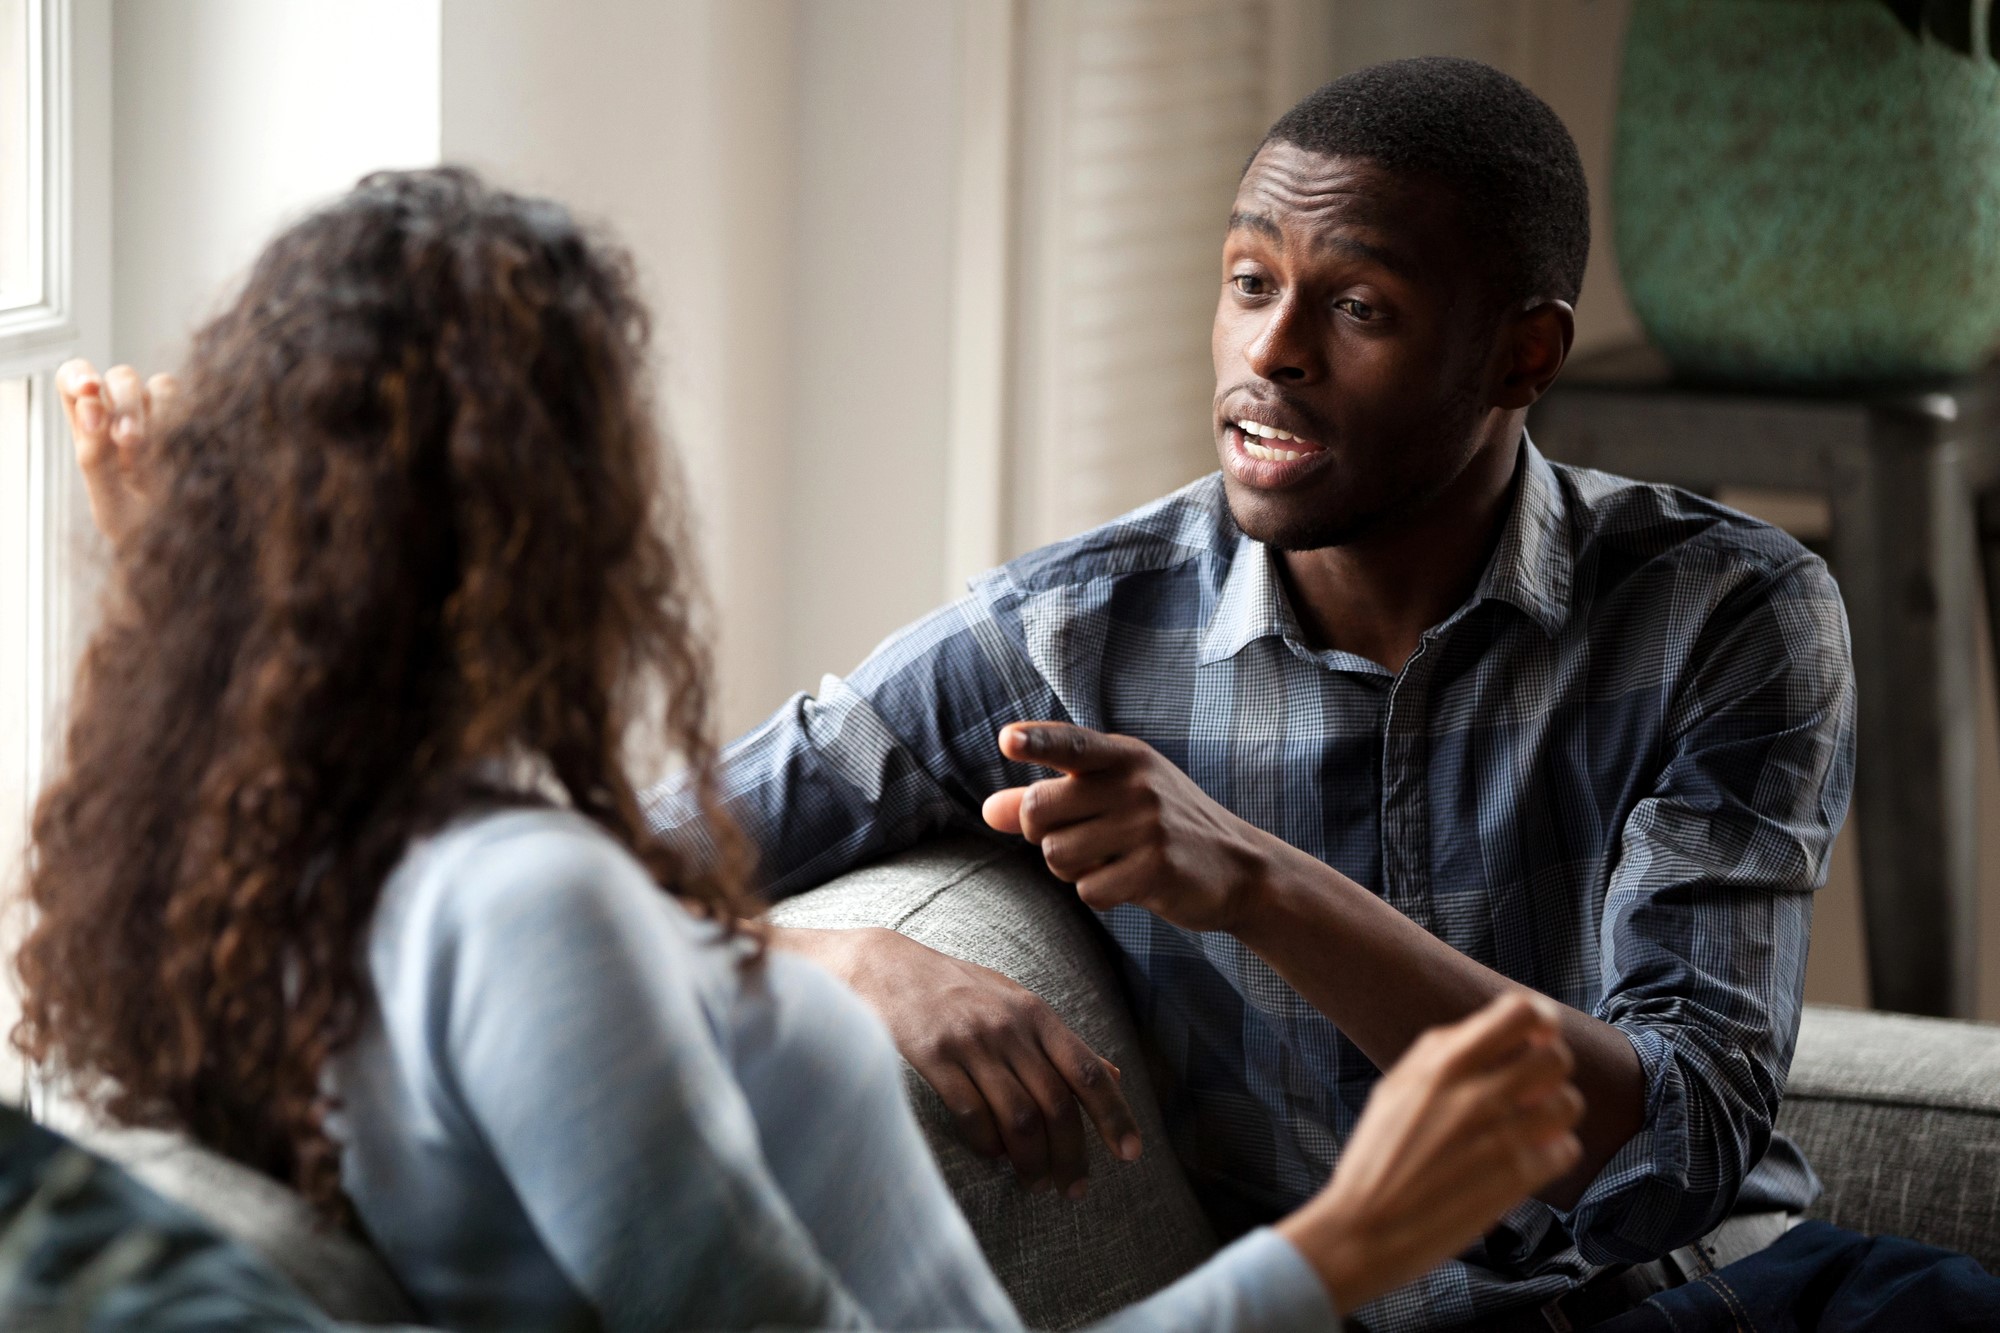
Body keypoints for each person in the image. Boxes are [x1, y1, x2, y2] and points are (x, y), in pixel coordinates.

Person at [29, 167, 1585, 1331]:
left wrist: (180, 582)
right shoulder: (516, 900)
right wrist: (1353, 1240)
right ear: (553, 522)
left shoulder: (285, 855)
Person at [640, 57, 1860, 1331]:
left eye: (1359, 309)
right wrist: (836, 959)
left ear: (1520, 354)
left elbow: (1681, 1137)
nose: (1270, 352)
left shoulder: (1726, 611)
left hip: (1746, 1296)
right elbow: (571, 859)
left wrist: (1259, 885)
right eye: (1249, 284)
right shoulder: (1059, 638)